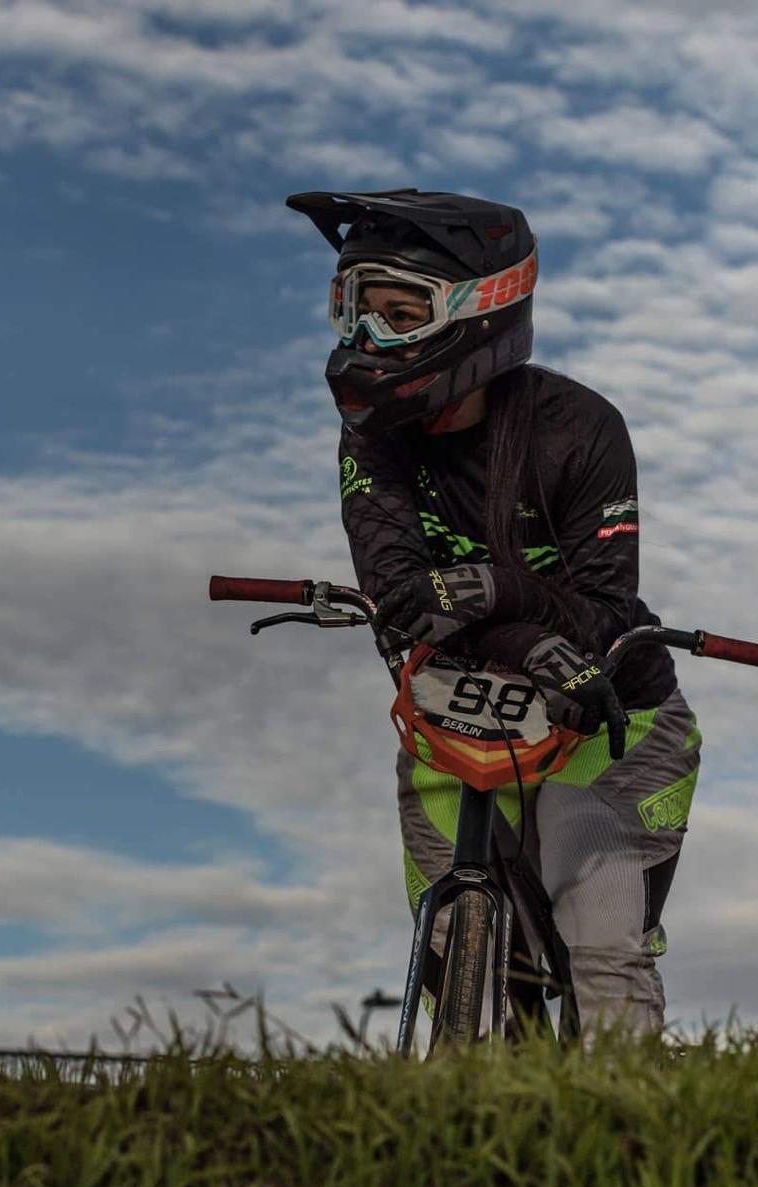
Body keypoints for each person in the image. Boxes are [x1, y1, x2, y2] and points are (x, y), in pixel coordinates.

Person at [286, 188, 702, 1040]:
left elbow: (603, 610)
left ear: (483, 313)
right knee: (447, 949)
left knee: (602, 949)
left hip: (610, 717)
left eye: (403, 315)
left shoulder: (580, 429)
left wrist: (492, 594)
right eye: (355, 311)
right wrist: (518, 620)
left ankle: (630, 1145)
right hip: (456, 707)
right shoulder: (372, 437)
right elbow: (403, 598)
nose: (367, 339)